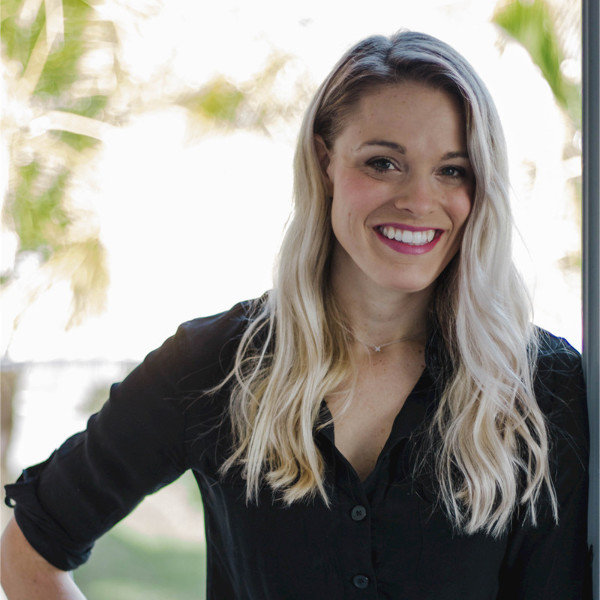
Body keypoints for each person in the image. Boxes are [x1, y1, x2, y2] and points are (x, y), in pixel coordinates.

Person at [1, 30, 590, 600]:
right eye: (383, 163)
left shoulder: (541, 386)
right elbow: (27, 554)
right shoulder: (216, 365)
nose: (418, 199)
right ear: (325, 161)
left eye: (453, 170)